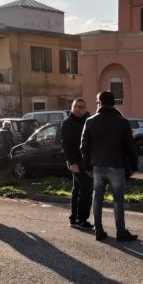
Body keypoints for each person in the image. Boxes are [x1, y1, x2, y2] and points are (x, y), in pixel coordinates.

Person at [80, 90, 139, 242]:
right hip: (116, 166)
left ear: (100, 103)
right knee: (118, 200)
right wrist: (134, 165)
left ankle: (98, 230)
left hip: (98, 167)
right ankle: (121, 231)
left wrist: (87, 167)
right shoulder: (122, 122)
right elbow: (130, 147)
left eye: (97, 102)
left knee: (97, 199)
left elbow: (84, 147)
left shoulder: (90, 121)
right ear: (113, 103)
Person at [61, 98, 93, 230]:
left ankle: (74, 219)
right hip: (76, 162)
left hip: (85, 161)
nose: (78, 109)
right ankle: (82, 220)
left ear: (85, 109)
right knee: (87, 189)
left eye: (81, 107)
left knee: (77, 190)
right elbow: (65, 145)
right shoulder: (67, 123)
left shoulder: (88, 121)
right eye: (76, 106)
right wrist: (72, 162)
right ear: (72, 108)